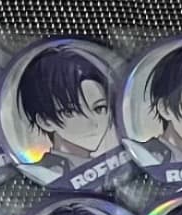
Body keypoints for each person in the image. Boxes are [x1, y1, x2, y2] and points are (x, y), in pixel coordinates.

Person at [17, 44, 117, 180]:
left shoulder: (113, 169)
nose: (93, 123)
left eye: (99, 108)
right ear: (45, 121)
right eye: (72, 111)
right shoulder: (40, 173)